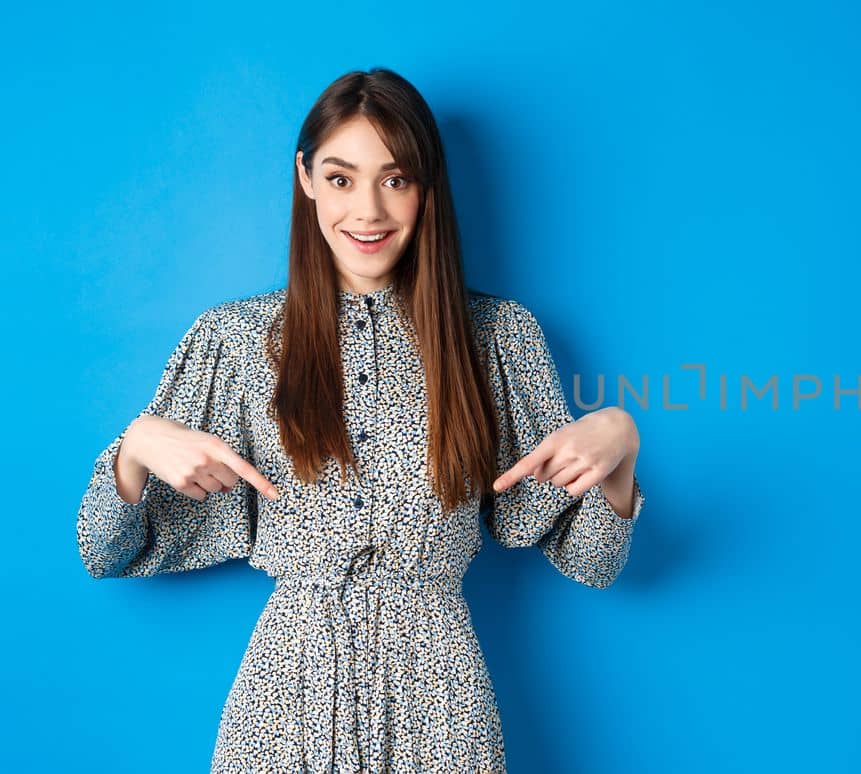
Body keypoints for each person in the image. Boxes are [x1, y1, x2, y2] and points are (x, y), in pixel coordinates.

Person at [75, 67, 645, 772]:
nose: (368, 210)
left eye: (395, 179)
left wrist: (621, 446)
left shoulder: (498, 337)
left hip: (442, 698)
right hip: (286, 698)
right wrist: (133, 448)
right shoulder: (235, 341)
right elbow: (104, 552)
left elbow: (593, 563)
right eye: (342, 178)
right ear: (306, 178)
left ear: (427, 187)